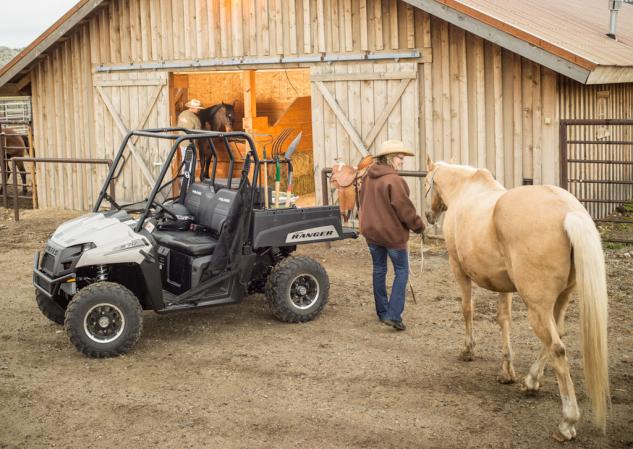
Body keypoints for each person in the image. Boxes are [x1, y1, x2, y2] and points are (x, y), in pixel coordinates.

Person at [359, 140, 425, 331]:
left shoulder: (366, 177)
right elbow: (405, 210)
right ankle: (394, 315)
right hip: (391, 235)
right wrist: (419, 227)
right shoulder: (394, 181)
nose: (402, 162)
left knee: (379, 270)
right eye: (400, 158)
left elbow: (361, 203)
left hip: (371, 233)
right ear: (389, 158)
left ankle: (383, 312)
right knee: (401, 271)